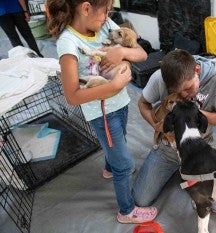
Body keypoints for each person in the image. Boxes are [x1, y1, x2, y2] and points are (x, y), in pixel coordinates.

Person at [46, 0, 157, 223]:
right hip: (102, 112)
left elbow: (142, 54)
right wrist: (113, 86)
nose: (108, 16)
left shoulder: (104, 25)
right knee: (124, 163)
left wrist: (121, 52)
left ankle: (109, 168)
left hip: (121, 102)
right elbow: (72, 95)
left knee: (119, 140)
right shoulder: (68, 43)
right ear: (86, 8)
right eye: (106, 10)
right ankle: (126, 211)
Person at [133, 49, 216, 214]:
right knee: (140, 200)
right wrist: (155, 125)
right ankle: (176, 168)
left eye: (187, 89)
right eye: (177, 92)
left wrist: (194, 112)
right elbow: (142, 103)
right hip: (169, 147)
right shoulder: (160, 77)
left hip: (199, 149)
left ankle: (185, 172)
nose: (183, 95)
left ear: (196, 70)